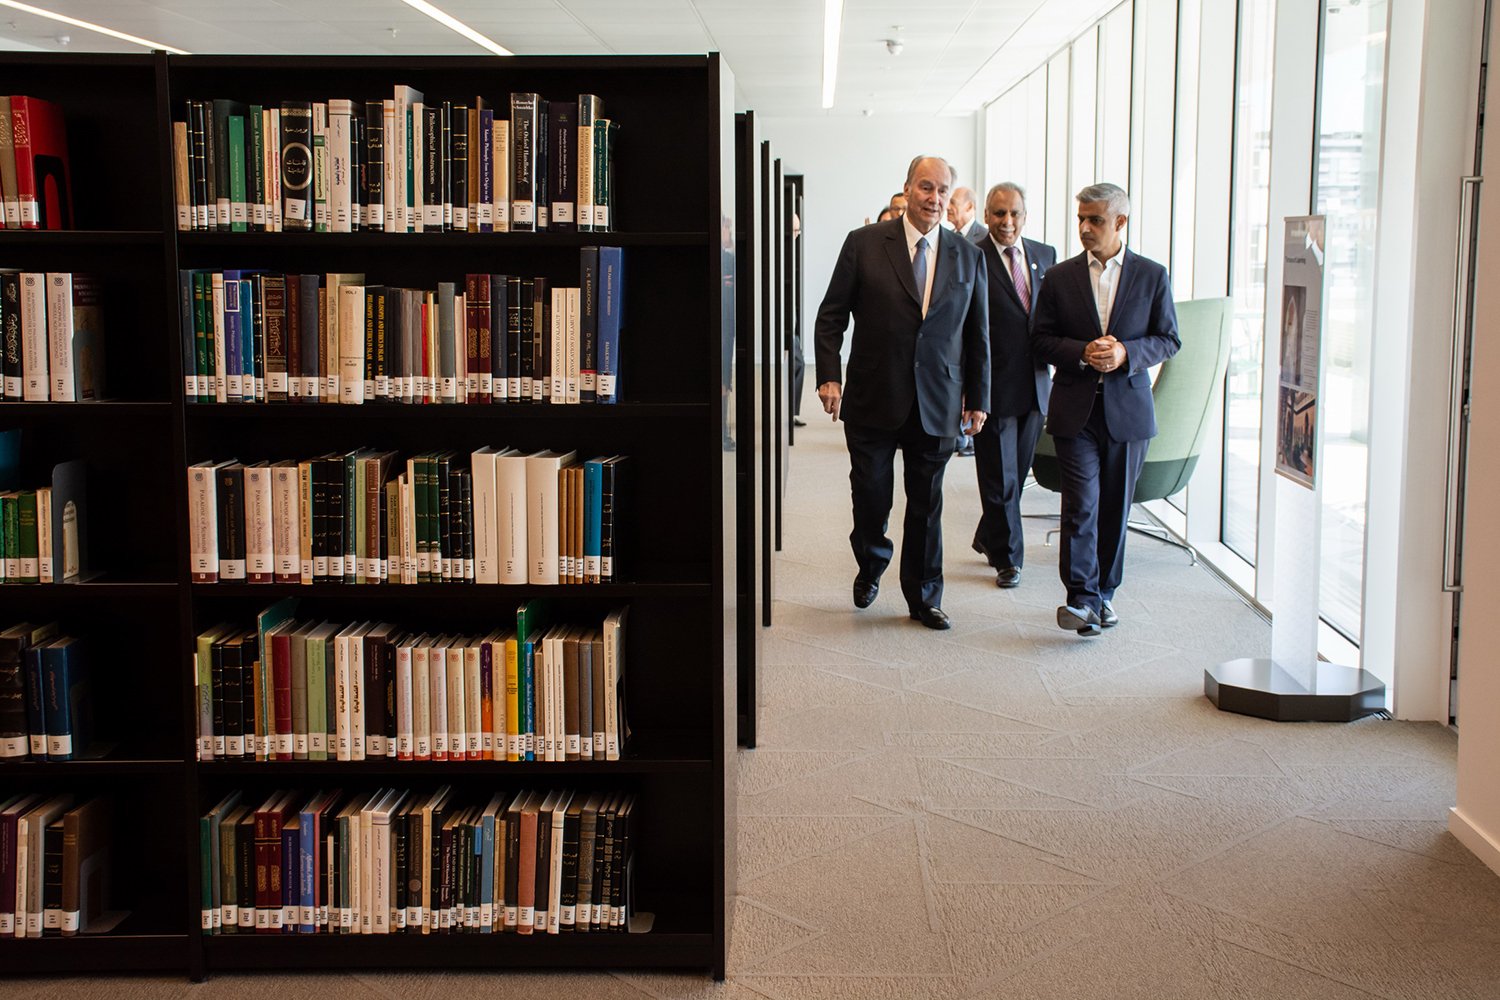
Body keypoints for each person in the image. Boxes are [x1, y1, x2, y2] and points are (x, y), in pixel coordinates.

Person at [814, 156, 990, 630]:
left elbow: (978, 335)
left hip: (938, 400)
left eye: (943, 190)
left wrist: (979, 398)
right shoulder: (865, 243)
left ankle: (924, 596)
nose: (935, 198)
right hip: (873, 394)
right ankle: (871, 563)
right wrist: (829, 375)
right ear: (908, 189)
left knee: (927, 505)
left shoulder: (969, 256)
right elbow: (831, 316)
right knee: (872, 496)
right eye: (926, 187)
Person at [1030, 183, 1180, 636]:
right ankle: (1081, 598)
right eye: (1080, 218)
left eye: (1094, 220)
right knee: (1080, 504)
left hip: (1127, 411)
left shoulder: (1151, 275)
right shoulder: (1058, 277)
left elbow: (1169, 339)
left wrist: (1126, 353)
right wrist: (1082, 351)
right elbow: (1039, 340)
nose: (1084, 228)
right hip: (1074, 410)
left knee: (1114, 508)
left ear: (1120, 222)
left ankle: (1104, 595)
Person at [970, 182, 1056, 588]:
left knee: (1016, 474)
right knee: (999, 476)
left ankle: (988, 535)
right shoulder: (971, 256)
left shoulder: (1045, 255)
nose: (1007, 221)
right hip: (992, 385)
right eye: (999, 213)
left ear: (1025, 215)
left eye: (1014, 213)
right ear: (987, 216)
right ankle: (1008, 560)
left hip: (1036, 383)